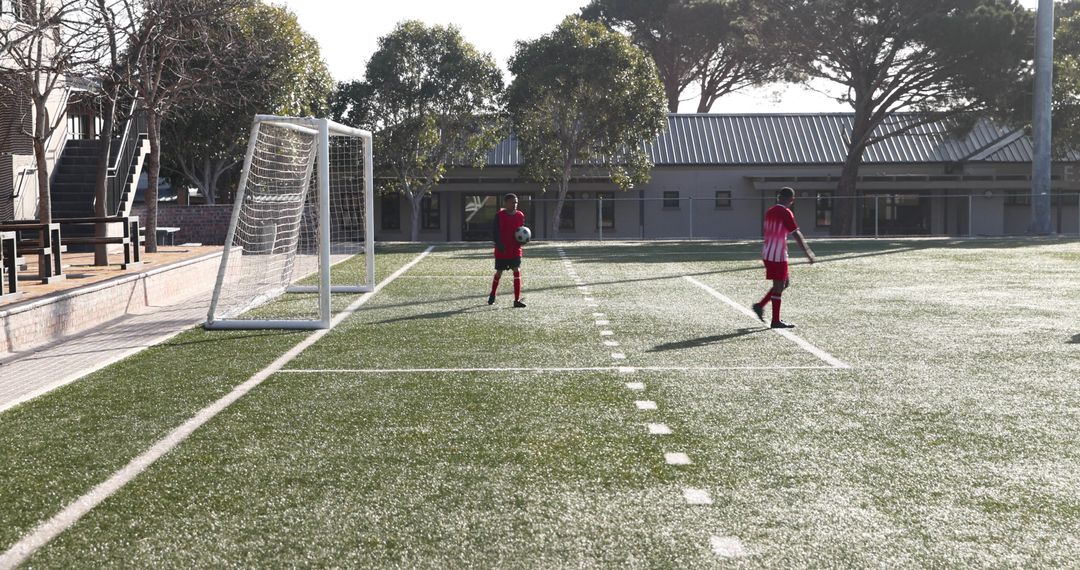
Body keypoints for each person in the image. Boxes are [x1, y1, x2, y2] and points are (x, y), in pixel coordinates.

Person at [752, 187, 815, 328]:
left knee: (784, 283)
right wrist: (808, 252)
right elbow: (796, 234)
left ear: (779, 197)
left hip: (768, 252)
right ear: (792, 200)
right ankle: (775, 321)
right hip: (777, 255)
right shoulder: (786, 212)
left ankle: (760, 305)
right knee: (779, 285)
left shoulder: (770, 211)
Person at [488, 193, 526, 308]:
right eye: (512, 202)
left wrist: (522, 241)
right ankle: (493, 294)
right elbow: (495, 232)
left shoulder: (520, 215)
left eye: (516, 202)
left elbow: (521, 231)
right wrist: (499, 245)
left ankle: (516, 300)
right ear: (506, 203)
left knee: (517, 271)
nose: (515, 205)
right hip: (502, 251)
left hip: (515, 250)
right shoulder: (499, 215)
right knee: (499, 273)